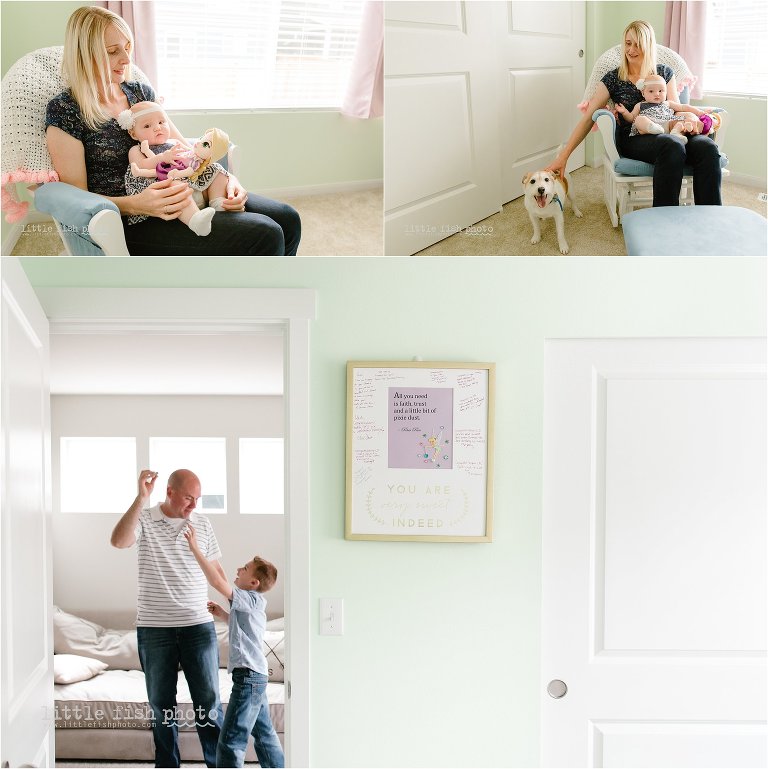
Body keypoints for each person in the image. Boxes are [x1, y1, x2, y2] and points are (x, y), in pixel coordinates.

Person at [45, 6, 301, 255]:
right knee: (265, 234)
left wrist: (228, 179)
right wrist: (135, 204)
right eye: (113, 51)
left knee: (288, 219)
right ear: (83, 55)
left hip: (182, 188)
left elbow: (185, 150)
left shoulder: (140, 93)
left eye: (127, 47)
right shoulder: (66, 110)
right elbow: (77, 199)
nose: (126, 59)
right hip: (132, 220)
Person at [110, 469, 225, 768]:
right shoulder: (146, 519)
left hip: (198, 626)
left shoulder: (202, 523)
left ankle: (220, 764)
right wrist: (141, 498)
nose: (194, 506)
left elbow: (216, 570)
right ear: (170, 492)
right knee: (161, 706)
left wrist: (236, 604)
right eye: (189, 498)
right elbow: (119, 542)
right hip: (154, 628)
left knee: (209, 704)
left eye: (198, 499)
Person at [547, 20, 722, 207]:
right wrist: (563, 156)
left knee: (707, 147)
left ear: (649, 46)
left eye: (638, 44)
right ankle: (663, 221)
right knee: (671, 145)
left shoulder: (664, 72)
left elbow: (675, 108)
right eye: (628, 43)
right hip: (635, 136)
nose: (631, 50)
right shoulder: (614, 78)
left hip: (670, 129)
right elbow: (588, 118)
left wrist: (690, 121)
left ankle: (709, 217)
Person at [184, 525, 284, 768]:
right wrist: (222, 614)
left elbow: (218, 582)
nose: (238, 569)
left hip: (248, 678)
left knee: (230, 741)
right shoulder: (253, 603)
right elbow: (245, 630)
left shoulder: (248, 598)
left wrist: (195, 547)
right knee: (264, 735)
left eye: (245, 568)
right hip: (256, 677)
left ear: (253, 581)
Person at [119, 101, 227, 236]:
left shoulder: (174, 142)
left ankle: (219, 202)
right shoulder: (136, 149)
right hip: (162, 183)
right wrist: (162, 158)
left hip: (188, 177)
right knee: (174, 183)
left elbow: (192, 154)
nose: (157, 128)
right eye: (147, 125)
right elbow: (141, 166)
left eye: (161, 122)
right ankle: (195, 221)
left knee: (216, 169)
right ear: (133, 134)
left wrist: (202, 154)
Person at [615, 74, 711, 145]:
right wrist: (624, 112)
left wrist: (699, 112)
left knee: (681, 118)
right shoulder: (640, 105)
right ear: (643, 93)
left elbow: (683, 107)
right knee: (639, 120)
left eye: (661, 91)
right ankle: (652, 128)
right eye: (651, 91)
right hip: (649, 127)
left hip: (667, 125)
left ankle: (676, 133)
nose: (657, 94)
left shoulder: (667, 103)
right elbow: (631, 118)